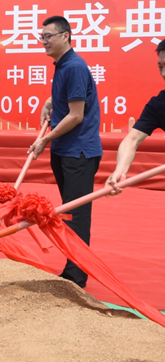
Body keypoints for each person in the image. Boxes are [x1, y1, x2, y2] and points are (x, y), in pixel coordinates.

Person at [28, 16, 102, 289]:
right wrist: (49, 103)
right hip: (65, 151)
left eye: (48, 36)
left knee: (76, 216)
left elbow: (76, 115)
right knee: (67, 214)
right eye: (42, 36)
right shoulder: (62, 66)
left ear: (66, 36)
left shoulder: (74, 66)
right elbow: (67, 99)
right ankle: (72, 268)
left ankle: (76, 277)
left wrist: (44, 139)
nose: (43, 41)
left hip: (78, 153)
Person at [106, 40, 165, 195]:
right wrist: (120, 170)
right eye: (160, 67)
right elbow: (132, 140)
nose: (163, 73)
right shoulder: (158, 105)